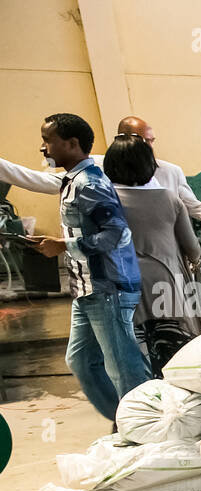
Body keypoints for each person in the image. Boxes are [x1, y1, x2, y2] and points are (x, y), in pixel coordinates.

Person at [28, 113, 150, 421]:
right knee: (81, 360)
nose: (43, 148)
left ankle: (145, 426)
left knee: (123, 366)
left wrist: (64, 246)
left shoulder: (90, 183)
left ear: (72, 144)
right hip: (86, 288)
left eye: (48, 141)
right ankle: (124, 421)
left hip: (106, 287)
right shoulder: (71, 182)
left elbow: (117, 233)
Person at [103, 133, 201, 374]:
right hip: (165, 281)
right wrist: (195, 260)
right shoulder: (169, 198)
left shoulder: (104, 201)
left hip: (122, 283)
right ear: (149, 165)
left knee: (135, 351)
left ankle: (146, 400)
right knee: (175, 350)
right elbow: (192, 247)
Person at [0, 115, 201, 223]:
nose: (149, 148)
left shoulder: (171, 172)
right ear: (122, 139)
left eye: (152, 141)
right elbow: (46, 182)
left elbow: (196, 208)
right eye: (144, 141)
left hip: (160, 258)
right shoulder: (97, 166)